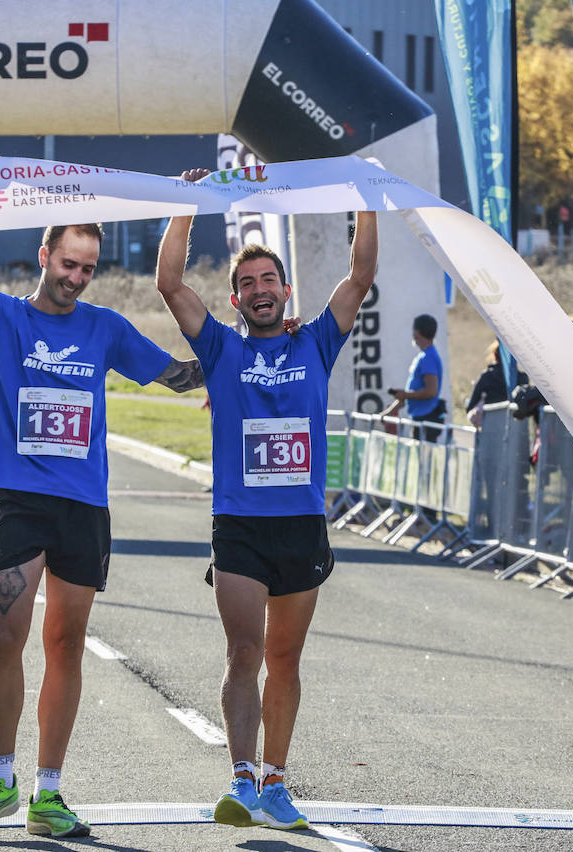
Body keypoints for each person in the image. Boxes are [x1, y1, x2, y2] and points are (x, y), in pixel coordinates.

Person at [0, 224, 204, 840]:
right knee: (5, 636)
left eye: (88, 269)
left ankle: (47, 794)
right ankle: (0, 777)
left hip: (83, 507)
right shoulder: (3, 316)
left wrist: (249, 352)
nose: (77, 278)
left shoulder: (104, 327)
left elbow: (178, 376)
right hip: (21, 501)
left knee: (66, 646)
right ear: (45, 256)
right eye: (69, 264)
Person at [155, 168, 376, 832]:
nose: (259, 291)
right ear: (235, 299)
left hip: (302, 526)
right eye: (246, 284)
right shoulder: (220, 348)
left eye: (267, 281)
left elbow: (360, 276)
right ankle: (242, 778)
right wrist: (188, 208)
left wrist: (366, 201)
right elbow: (169, 283)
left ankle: (277, 783)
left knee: (284, 658)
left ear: (285, 291)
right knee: (244, 653)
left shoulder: (317, 341)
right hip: (241, 528)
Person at [381, 314, 445, 441]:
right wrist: (388, 412)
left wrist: (406, 395)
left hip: (425, 419)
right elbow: (410, 395)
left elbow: (431, 391)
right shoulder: (425, 355)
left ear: (417, 332)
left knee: (424, 460)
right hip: (421, 419)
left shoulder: (428, 357)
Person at [465, 341, 525, 428]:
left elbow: (471, 405)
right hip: (516, 431)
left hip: (490, 431)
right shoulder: (522, 378)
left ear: (495, 356)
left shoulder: (487, 376)